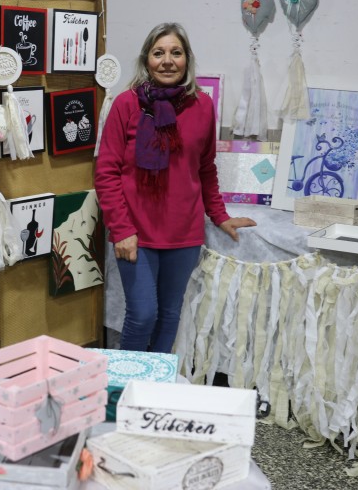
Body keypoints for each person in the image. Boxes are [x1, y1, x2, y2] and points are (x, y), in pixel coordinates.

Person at [94, 22, 256, 353]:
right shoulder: (126, 104)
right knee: (142, 315)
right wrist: (121, 229)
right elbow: (106, 173)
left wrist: (220, 215)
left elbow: (205, 167)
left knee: (169, 315)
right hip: (135, 232)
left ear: (187, 59)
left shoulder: (202, 106)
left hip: (184, 233)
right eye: (159, 53)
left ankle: (157, 383)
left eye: (176, 53)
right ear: (146, 60)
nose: (167, 61)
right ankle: (127, 383)